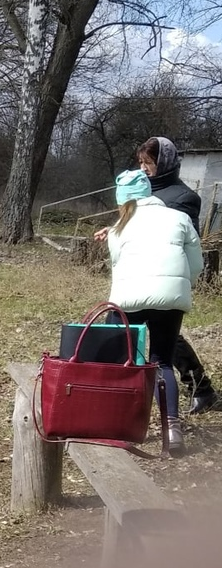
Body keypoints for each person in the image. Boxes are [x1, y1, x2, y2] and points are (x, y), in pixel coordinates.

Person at [101, 169, 203, 456]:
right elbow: (196, 265)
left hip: (129, 297)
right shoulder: (180, 218)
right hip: (171, 298)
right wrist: (178, 286)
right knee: (162, 362)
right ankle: (172, 429)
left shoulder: (119, 226)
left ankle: (120, 423)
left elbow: (118, 265)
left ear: (123, 199)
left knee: (123, 360)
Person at [140, 136, 217, 414]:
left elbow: (187, 239)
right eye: (141, 163)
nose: (143, 168)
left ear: (164, 163)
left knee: (162, 337)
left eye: (148, 163)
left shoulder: (185, 197)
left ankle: (198, 392)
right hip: (139, 272)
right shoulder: (141, 191)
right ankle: (202, 390)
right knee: (159, 334)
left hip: (164, 274)